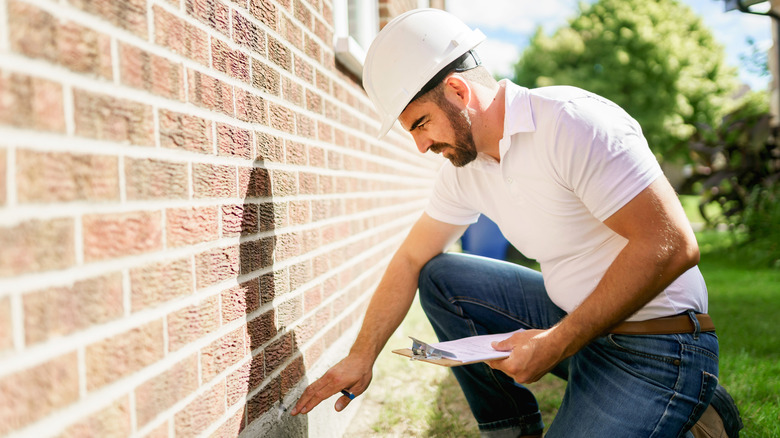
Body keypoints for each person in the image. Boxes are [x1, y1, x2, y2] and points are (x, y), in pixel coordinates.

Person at [292, 8, 737, 437]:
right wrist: (361, 355)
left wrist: (556, 342)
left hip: (659, 349)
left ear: (458, 91)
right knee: (442, 276)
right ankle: (512, 430)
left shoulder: (572, 122)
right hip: (577, 328)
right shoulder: (464, 171)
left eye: (421, 123)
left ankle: (697, 410)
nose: (421, 145)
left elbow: (672, 244)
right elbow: (411, 258)